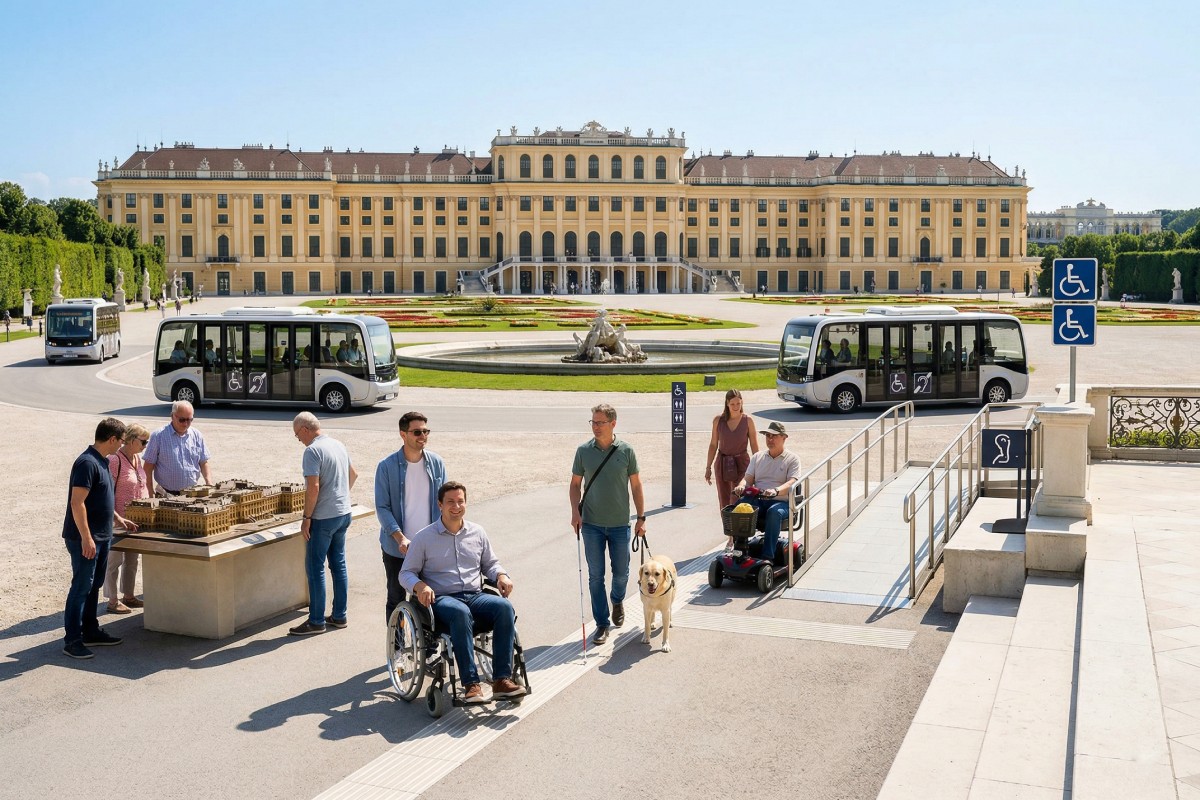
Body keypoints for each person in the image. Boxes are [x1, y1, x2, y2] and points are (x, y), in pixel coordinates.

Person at [400, 481, 525, 704]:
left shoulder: (477, 532)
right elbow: (406, 573)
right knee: (460, 612)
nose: (456, 506)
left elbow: (491, 564)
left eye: (460, 501)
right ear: (440, 504)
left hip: (475, 595)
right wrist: (421, 586)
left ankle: (501, 680)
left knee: (504, 607)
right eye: (450, 502)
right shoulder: (424, 537)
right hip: (443, 600)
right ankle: (471, 684)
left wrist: (501, 576)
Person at [62, 418, 139, 659]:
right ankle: (72, 640)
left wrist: (117, 518)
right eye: (121, 441)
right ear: (112, 439)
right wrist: (86, 538)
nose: (122, 445)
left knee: (94, 585)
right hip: (86, 538)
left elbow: (101, 497)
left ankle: (90, 631)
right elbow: (77, 503)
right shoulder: (87, 463)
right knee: (81, 587)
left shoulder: (103, 462)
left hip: (103, 536)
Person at [569, 403, 646, 645]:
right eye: (593, 422)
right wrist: (575, 512)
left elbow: (636, 486)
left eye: (600, 422)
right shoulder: (583, 451)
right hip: (591, 524)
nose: (595, 427)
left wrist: (641, 517)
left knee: (622, 573)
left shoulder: (626, 451)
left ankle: (617, 599)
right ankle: (601, 624)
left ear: (613, 423)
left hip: (620, 524)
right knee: (595, 576)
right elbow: (574, 485)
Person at [289, 412, 358, 635]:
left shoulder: (312, 451)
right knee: (339, 565)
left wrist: (306, 518)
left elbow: (313, 488)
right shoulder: (337, 444)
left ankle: (316, 620)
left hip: (323, 517)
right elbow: (354, 475)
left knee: (315, 567)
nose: (299, 440)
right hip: (343, 513)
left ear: (305, 430)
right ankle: (340, 615)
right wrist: (339, 496)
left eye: (297, 435)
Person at [375, 411, 446, 623]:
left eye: (426, 431)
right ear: (403, 434)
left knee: (427, 598)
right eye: (417, 432)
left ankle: (428, 650)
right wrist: (400, 538)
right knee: (396, 598)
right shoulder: (386, 466)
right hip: (397, 547)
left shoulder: (437, 463)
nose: (422, 436)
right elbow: (382, 507)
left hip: (428, 546)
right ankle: (396, 648)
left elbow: (445, 501)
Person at [733, 421, 802, 563]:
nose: (770, 439)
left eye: (774, 436)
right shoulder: (757, 457)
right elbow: (747, 479)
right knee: (741, 505)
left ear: (784, 438)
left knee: (773, 512)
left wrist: (775, 491)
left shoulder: (792, 459)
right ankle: (740, 550)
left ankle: (767, 557)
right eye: (768, 436)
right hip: (759, 499)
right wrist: (741, 486)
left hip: (781, 502)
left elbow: (792, 482)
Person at [104, 423, 151, 614]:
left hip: (135, 519)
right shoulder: (114, 460)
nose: (145, 445)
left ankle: (128, 595)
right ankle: (112, 600)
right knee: (114, 560)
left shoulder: (137, 459)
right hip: (118, 519)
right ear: (131, 440)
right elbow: (106, 490)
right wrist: (114, 517)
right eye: (143, 441)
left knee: (133, 559)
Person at [704, 389, 759, 515]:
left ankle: (738, 532)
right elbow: (713, 444)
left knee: (739, 498)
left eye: (738, 404)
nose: (735, 407)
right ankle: (729, 531)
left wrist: (758, 468)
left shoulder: (748, 421)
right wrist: (708, 467)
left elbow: (754, 446)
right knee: (724, 500)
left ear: (742, 403)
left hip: (742, 464)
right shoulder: (718, 420)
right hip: (722, 463)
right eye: (732, 404)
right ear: (727, 404)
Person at [143, 401, 212, 496]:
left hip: (191, 494)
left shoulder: (197, 435)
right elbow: (148, 467)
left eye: (190, 420)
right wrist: (149, 491)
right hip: (166, 494)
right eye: (182, 420)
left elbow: (203, 462)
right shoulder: (158, 436)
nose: (186, 423)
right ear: (172, 416)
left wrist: (209, 483)